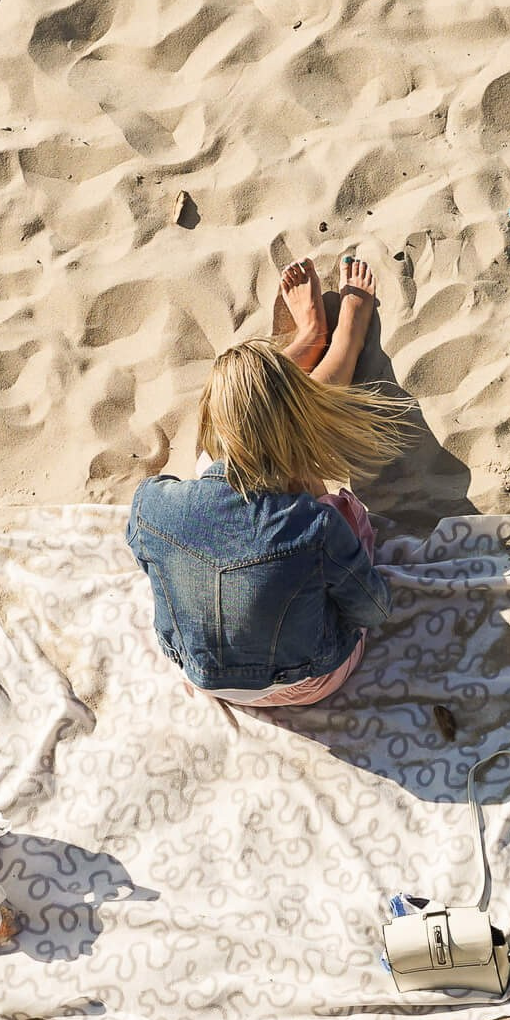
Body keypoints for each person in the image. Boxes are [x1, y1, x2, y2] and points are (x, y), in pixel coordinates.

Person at [127, 256, 407, 707]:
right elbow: (371, 611)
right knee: (325, 495)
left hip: (199, 674)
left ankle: (309, 340)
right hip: (307, 680)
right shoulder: (314, 527)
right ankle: (341, 343)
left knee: (220, 452)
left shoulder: (151, 506)